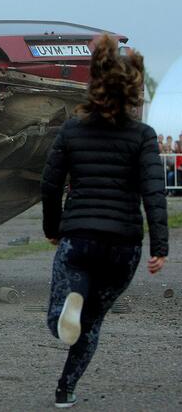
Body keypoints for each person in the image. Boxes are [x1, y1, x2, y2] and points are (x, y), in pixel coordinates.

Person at [41, 35, 168, 408]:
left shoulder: (72, 129)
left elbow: (50, 185)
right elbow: (154, 193)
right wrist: (160, 247)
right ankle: (65, 390)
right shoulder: (143, 136)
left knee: (60, 319)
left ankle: (71, 299)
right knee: (91, 323)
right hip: (123, 247)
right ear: (131, 92)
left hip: (78, 238)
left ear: (94, 82)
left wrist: (53, 229)